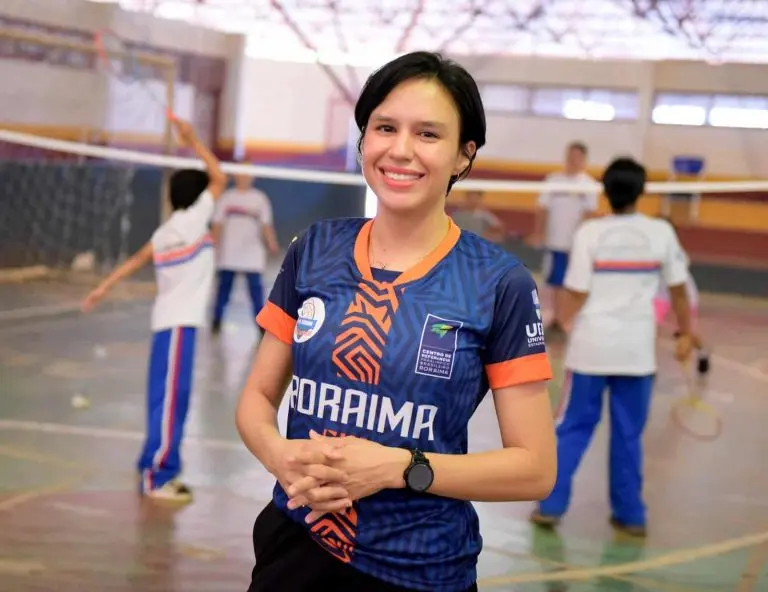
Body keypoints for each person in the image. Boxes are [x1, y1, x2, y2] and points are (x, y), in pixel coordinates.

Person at [235, 51, 557, 592]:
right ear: (365, 141)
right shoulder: (315, 249)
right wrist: (279, 455)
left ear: (463, 155)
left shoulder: (497, 283)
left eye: (428, 134)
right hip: (293, 547)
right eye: (385, 127)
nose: (400, 150)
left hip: (420, 568)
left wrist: (400, 469)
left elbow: (534, 467)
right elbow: (256, 398)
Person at [530, 157, 694, 538]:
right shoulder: (660, 234)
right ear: (642, 192)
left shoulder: (591, 234)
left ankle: (551, 506)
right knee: (628, 434)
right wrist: (686, 332)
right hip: (637, 355)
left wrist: (561, 326)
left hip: (591, 350)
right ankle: (631, 514)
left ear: (604, 192)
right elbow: (679, 288)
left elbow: (574, 291)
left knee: (572, 427)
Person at [81, 118, 226, 502]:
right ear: (197, 198)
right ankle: (158, 476)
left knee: (165, 399)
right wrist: (193, 139)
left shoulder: (166, 232)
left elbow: (135, 261)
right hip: (178, 326)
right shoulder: (193, 221)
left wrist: (101, 288)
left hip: (169, 324)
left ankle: (153, 462)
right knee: (170, 401)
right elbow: (219, 177)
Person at [531, 141, 600, 337]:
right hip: (555, 242)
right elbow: (543, 208)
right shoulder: (553, 180)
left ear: (584, 160)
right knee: (555, 281)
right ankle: (558, 320)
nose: (573, 160)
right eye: (570, 155)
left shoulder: (589, 185)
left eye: (577, 157)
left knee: (571, 283)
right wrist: (539, 232)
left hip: (575, 245)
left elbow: (589, 215)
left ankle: (564, 320)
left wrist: (582, 242)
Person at [210, 172, 279, 334]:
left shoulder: (259, 199)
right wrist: (214, 246)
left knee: (256, 291)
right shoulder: (227, 198)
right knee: (223, 290)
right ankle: (217, 320)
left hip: (252, 254)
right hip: (229, 254)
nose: (244, 177)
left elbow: (266, 225)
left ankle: (261, 324)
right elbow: (217, 224)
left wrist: (271, 243)